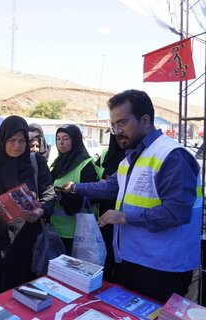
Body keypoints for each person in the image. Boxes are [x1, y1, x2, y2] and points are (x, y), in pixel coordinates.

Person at [62, 89, 201, 302]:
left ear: (145, 120)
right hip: (132, 261)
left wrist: (125, 217)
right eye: (114, 125)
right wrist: (75, 188)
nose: (117, 131)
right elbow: (110, 187)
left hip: (162, 269)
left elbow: (177, 213)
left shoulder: (172, 156)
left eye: (122, 123)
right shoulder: (130, 159)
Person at [0, 115, 55, 304]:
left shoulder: (35, 162)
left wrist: (38, 212)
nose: (17, 146)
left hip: (23, 241)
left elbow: (49, 195)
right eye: (12, 140)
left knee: (20, 294)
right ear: (3, 139)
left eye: (22, 140)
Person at [50, 124, 98, 255]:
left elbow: (92, 196)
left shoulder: (85, 164)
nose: (61, 142)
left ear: (75, 140)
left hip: (77, 232)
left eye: (65, 138)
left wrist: (62, 196)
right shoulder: (57, 163)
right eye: (58, 138)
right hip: (56, 228)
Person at [94, 132, 125, 282]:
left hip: (124, 214)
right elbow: (96, 175)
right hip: (105, 209)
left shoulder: (134, 155)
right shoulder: (105, 153)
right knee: (106, 249)